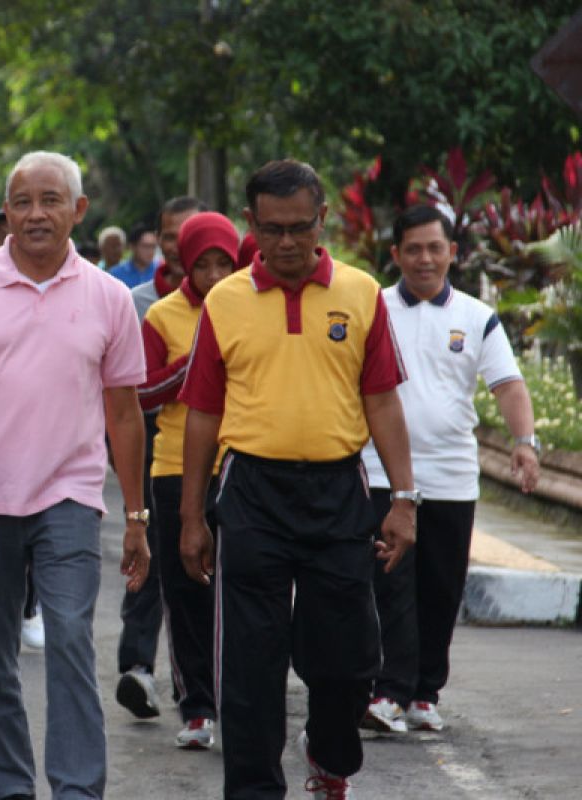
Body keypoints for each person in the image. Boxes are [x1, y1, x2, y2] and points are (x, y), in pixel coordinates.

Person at [0, 150, 151, 800]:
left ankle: (77, 790)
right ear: (6, 213)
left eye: (51, 200)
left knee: (71, 636)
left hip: (69, 495)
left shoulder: (109, 297)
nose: (36, 213)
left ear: (77, 211)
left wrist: (136, 516)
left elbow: (126, 416)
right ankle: (13, 789)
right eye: (22, 202)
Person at [178, 159, 417, 799]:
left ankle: (329, 753)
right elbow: (202, 414)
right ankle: (255, 790)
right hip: (252, 493)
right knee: (251, 666)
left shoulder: (361, 293)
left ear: (322, 221)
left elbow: (384, 402)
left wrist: (404, 501)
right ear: (251, 223)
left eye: (300, 227)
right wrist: (191, 518)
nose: (287, 242)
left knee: (349, 659)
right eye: (273, 228)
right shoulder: (225, 301)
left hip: (340, 493)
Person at [359, 205, 540, 735]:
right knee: (389, 584)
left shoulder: (477, 316)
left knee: (440, 590)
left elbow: (508, 384)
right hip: (380, 475)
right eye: (412, 249)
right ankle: (388, 691)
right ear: (395, 254)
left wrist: (524, 442)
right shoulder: (374, 310)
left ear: (452, 253)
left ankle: (422, 694)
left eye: (435, 248)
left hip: (452, 477)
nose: (424, 258)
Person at [135, 212, 239, 749]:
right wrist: (190, 366)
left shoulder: (251, 305)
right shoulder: (161, 315)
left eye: (226, 263)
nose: (216, 274)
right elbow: (143, 394)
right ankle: (196, 706)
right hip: (175, 464)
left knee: (240, 588)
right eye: (205, 265)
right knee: (183, 587)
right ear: (185, 265)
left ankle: (237, 699)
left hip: (241, 462)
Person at [114, 196, 206, 721]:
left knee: (196, 566)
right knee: (148, 558)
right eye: (170, 236)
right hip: (152, 444)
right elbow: (128, 394)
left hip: (214, 449)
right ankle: (138, 669)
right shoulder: (139, 302)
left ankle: (196, 685)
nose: (179, 246)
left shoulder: (232, 297)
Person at [109, 223, 159, 288]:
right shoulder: (115, 274)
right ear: (132, 246)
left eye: (153, 246)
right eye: (145, 246)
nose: (150, 251)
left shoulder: (161, 271)